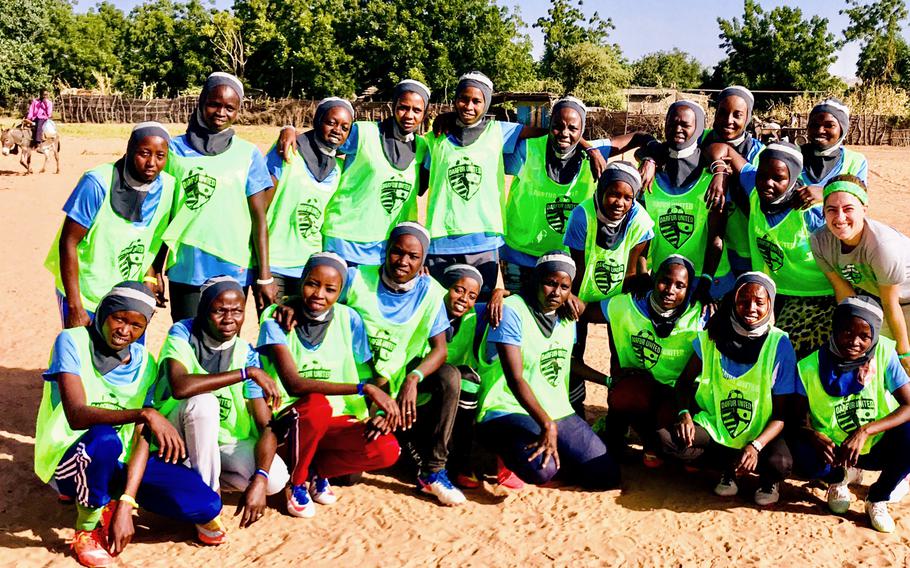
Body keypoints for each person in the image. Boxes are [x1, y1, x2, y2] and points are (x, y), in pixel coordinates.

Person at [34, 283, 225, 568]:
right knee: (105, 439)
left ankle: (111, 500)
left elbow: (141, 437)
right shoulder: (71, 341)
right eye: (119, 318)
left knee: (207, 505)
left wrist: (127, 502)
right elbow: (77, 415)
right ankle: (86, 529)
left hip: (118, 459)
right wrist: (144, 414)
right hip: (70, 455)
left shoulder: (144, 362)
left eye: (137, 325)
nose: (126, 330)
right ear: (104, 312)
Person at [423, 71, 607, 299]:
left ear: (486, 102)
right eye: (463, 99)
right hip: (442, 243)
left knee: (482, 308)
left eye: (476, 101)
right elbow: (419, 181)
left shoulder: (498, 133)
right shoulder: (435, 139)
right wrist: (448, 117)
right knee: (439, 309)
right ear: (454, 100)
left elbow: (550, 132)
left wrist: (589, 147)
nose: (469, 106)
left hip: (485, 242)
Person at [257, 252, 402, 517]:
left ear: (340, 292)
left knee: (387, 449)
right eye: (312, 283)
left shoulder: (350, 319)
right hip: (293, 419)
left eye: (330, 289)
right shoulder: (275, 318)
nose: (319, 294)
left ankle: (314, 471)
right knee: (317, 404)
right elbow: (294, 384)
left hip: (338, 418)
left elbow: (368, 374)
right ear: (301, 281)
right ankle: (297, 482)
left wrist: (379, 410)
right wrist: (361, 389)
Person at [476, 252, 620, 489]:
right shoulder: (511, 310)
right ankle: (494, 453)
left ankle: (553, 451)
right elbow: (515, 378)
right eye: (550, 283)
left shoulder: (566, 317)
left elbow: (564, 360)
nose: (556, 292)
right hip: (507, 407)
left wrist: (606, 380)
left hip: (555, 409)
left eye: (564, 287)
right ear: (535, 279)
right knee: (543, 470)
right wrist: (547, 424)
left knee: (605, 475)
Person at [154, 276, 289, 526]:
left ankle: (194, 479)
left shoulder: (245, 354)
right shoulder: (183, 333)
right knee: (204, 402)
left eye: (237, 311)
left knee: (275, 478)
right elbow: (181, 386)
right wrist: (245, 374)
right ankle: (206, 506)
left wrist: (259, 478)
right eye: (219, 310)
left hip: (224, 443)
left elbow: (264, 423)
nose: (229, 319)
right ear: (204, 310)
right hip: (180, 435)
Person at [500, 96, 656, 291]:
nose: (564, 133)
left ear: (581, 130)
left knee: (561, 319)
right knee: (516, 315)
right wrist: (587, 146)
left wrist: (650, 159)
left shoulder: (594, 154)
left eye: (573, 128)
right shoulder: (527, 149)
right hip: (519, 256)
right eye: (557, 125)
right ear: (549, 125)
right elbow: (482, 132)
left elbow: (641, 138)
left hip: (566, 261)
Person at [667, 272, 795, 506]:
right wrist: (683, 414)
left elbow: (780, 415)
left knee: (781, 463)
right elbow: (683, 383)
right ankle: (727, 467)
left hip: (761, 431)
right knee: (672, 441)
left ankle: (769, 480)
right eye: (743, 301)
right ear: (734, 301)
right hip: (718, 424)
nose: (751, 308)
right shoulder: (713, 335)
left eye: (759, 302)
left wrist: (755, 445)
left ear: (771, 304)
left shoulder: (780, 344)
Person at [278, 80, 432, 266]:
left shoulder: (423, 149)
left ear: (424, 114)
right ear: (393, 106)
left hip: (387, 247)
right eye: (403, 107)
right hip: (344, 241)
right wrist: (289, 130)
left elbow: (421, 188)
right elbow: (324, 138)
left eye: (417, 110)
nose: (409, 115)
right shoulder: (363, 133)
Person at [162, 72, 276, 320]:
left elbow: (259, 219)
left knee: (223, 342)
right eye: (214, 104)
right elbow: (162, 213)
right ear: (201, 102)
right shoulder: (173, 150)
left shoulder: (248, 155)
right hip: (186, 264)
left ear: (238, 111)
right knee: (187, 337)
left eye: (229, 108)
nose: (221, 112)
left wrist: (264, 275)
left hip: (233, 265)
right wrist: (153, 269)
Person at [705, 141, 835, 358]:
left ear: (793, 178)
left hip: (815, 296)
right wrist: (719, 171)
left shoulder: (810, 211)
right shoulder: (754, 188)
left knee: (778, 353)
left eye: (778, 178)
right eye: (762, 175)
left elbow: (855, 214)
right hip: (773, 292)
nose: (767, 183)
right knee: (723, 337)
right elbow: (721, 148)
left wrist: (827, 192)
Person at [792, 296, 910, 533]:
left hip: (873, 444)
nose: (854, 342)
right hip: (834, 450)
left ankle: (877, 497)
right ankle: (837, 480)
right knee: (799, 449)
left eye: (864, 336)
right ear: (834, 328)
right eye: (846, 331)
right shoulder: (808, 366)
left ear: (874, 336)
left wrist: (865, 430)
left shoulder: (885, 353)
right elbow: (796, 418)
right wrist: (813, 434)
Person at [45, 122, 174, 328]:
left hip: (127, 297)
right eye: (144, 153)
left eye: (160, 156)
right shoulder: (97, 183)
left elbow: (154, 241)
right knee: (83, 356)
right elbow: (69, 241)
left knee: (126, 359)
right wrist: (75, 306)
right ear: (129, 149)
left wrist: (150, 278)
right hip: (86, 294)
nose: (151, 162)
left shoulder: (168, 188)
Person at [587, 255, 704, 466]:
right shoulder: (628, 304)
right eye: (665, 281)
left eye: (680, 285)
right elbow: (583, 312)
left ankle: (665, 445)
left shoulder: (700, 316)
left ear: (689, 289)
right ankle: (644, 437)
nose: (670, 290)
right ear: (653, 278)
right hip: (644, 385)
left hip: (680, 394)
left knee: (671, 443)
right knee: (624, 395)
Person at [563, 161, 655, 412]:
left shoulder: (641, 224)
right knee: (573, 351)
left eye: (628, 197)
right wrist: (575, 301)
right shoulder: (582, 216)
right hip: (581, 290)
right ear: (602, 189)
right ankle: (574, 408)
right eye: (614, 194)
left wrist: (621, 311)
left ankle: (616, 416)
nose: (619, 203)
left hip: (618, 294)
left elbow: (630, 273)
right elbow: (577, 268)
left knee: (621, 356)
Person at [811, 175, 910, 375]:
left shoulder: (882, 247)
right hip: (878, 302)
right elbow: (843, 291)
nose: (839, 218)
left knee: (902, 365)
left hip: (901, 303)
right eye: (831, 210)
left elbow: (891, 304)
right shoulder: (819, 241)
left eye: (848, 209)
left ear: (864, 210)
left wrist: (903, 354)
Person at [642, 100, 732, 301]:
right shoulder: (650, 177)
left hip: (708, 278)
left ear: (698, 128)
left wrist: (707, 280)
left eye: (685, 125)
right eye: (672, 123)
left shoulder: (712, 179)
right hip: (665, 278)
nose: (677, 129)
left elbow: (716, 237)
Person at [264, 98, 354, 297]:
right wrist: (289, 129)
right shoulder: (287, 151)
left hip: (310, 265)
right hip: (274, 262)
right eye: (331, 122)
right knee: (274, 324)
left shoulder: (338, 169)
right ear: (318, 120)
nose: (338, 130)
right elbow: (260, 204)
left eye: (345, 127)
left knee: (302, 326)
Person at [700, 86, 764, 275]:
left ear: (748, 118)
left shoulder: (759, 154)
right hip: (701, 243)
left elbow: (757, 206)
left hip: (743, 245)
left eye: (737, 115)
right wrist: (650, 159)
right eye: (723, 112)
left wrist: (733, 181)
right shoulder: (700, 140)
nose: (729, 120)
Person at [436, 264, 487, 488]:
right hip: (421, 387)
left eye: (472, 296)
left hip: (451, 390)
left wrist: (498, 293)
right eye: (458, 290)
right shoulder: (428, 309)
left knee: (469, 379)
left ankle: (461, 462)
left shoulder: (471, 317)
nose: (464, 299)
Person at [800, 99, 868, 188]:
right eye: (814, 125)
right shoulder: (792, 155)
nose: (820, 130)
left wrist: (824, 194)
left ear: (842, 129)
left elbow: (858, 197)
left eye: (829, 125)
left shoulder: (855, 161)